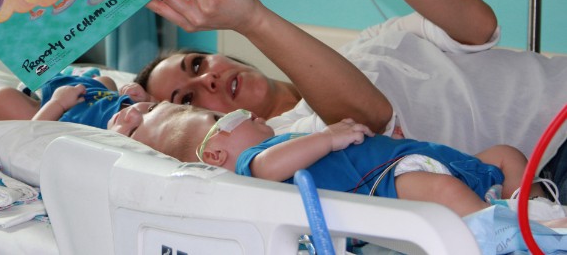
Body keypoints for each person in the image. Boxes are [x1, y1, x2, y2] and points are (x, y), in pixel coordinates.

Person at [139, 0, 567, 200]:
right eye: (190, 98)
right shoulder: (301, 148)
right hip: (549, 166)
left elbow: (479, 25)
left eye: (197, 63)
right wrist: (251, 18)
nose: (207, 78)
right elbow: (370, 118)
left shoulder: (365, 45)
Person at [186, 108, 545, 217]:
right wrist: (327, 137)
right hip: (392, 184)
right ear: (217, 154)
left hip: (411, 161)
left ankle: (528, 212)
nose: (252, 115)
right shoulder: (254, 162)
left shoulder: (292, 141)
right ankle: (501, 232)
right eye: (233, 119)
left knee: (506, 154)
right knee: (441, 189)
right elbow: (268, 167)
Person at [0, 70, 157, 133]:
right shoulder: (134, 110)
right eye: (152, 110)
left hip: (54, 110)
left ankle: (31, 96)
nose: (134, 114)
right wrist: (143, 99)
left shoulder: (91, 137)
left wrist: (57, 104)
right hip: (93, 89)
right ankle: (85, 76)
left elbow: (34, 134)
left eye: (133, 131)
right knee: (107, 80)